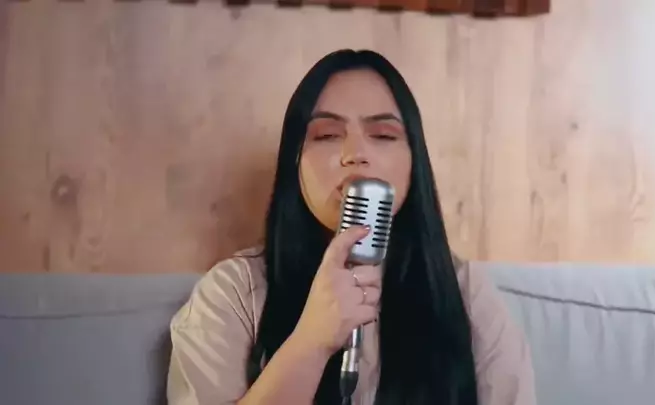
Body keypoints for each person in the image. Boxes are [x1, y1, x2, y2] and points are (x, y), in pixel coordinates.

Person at [166, 49, 536, 405]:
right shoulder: (233, 293)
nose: (356, 153)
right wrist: (311, 341)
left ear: (414, 162)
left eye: (384, 135)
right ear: (294, 163)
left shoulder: (465, 292)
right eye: (327, 135)